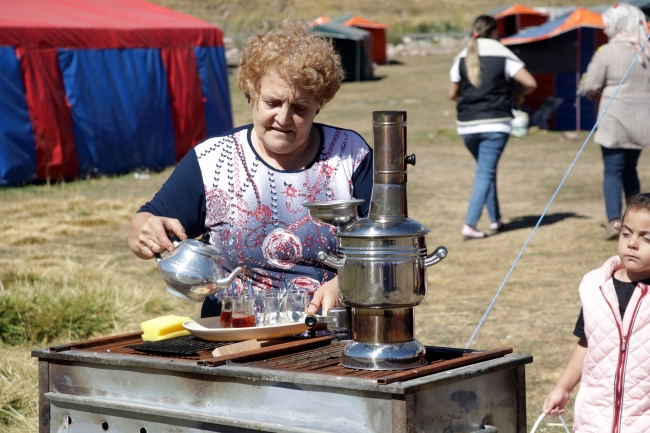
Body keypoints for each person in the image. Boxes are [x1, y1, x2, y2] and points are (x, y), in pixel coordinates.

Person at [127, 17, 373, 318]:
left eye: (300, 108)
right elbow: (147, 219)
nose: (283, 118)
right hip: (233, 331)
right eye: (272, 102)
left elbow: (388, 249)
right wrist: (144, 231)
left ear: (318, 105)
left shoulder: (350, 155)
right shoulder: (212, 159)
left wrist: (345, 283)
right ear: (250, 94)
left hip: (328, 335)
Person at [543, 192, 650, 431]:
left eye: (647, 238)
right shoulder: (597, 288)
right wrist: (562, 387)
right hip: (595, 418)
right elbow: (586, 343)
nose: (632, 243)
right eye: (626, 233)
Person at [449, 15, 536, 240]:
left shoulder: (462, 55)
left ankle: (495, 219)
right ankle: (470, 224)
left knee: (485, 172)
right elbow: (530, 83)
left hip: (467, 125)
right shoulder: (502, 53)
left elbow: (452, 94)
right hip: (496, 123)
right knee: (485, 173)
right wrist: (517, 95)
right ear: (495, 32)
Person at [579, 3, 650, 241]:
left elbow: (590, 85)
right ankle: (639, 219)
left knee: (612, 169)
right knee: (630, 169)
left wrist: (589, 92)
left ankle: (614, 221)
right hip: (642, 121)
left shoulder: (607, 51)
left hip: (615, 118)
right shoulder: (647, 50)